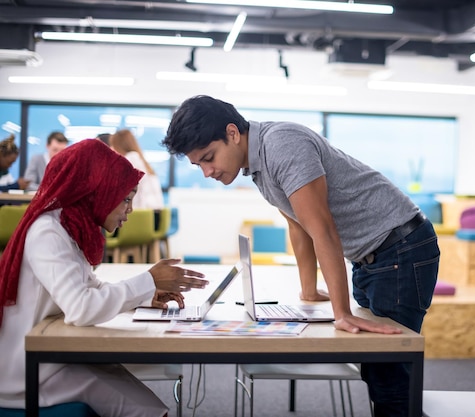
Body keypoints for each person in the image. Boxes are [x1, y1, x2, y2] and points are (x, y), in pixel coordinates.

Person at [163, 95, 440, 417]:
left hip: (400, 249)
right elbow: (298, 226)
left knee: (392, 381)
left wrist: (341, 312)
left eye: (209, 158)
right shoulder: (257, 166)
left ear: (233, 133)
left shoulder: (281, 146)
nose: (207, 171)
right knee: (378, 372)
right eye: (199, 164)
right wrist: (308, 291)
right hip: (371, 258)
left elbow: (322, 228)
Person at [0, 139, 207, 416]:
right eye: (125, 199)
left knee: (140, 397)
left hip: (52, 357)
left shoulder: (70, 225)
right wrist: (149, 280)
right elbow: (80, 307)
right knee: (146, 408)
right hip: (27, 373)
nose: (130, 210)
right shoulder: (48, 232)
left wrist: (145, 295)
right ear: (97, 191)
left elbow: (89, 287)